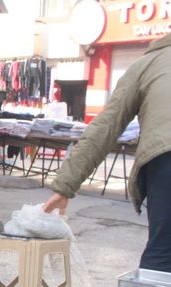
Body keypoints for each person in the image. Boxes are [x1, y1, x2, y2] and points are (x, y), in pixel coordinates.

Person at [43, 33, 171, 273]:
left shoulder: (146, 65)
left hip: (165, 162)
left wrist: (64, 186)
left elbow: (106, 127)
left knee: (162, 258)